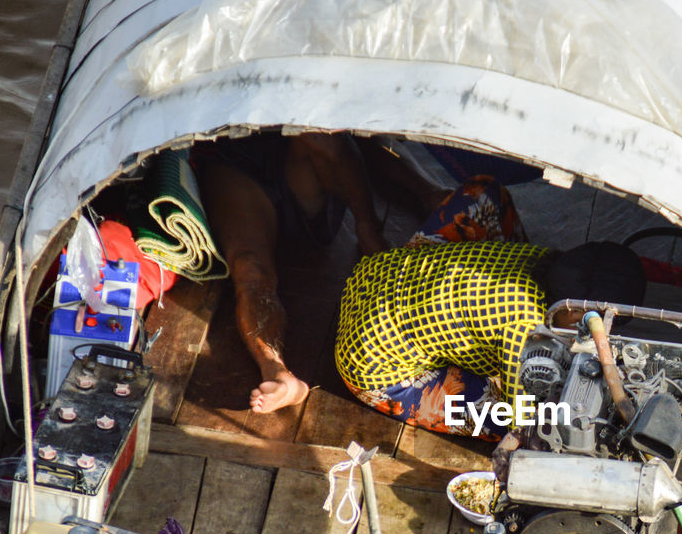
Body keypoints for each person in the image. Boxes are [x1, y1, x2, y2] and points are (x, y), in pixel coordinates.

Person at [334, 176, 647, 438]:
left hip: (377, 276)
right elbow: (520, 421)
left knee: (486, 193)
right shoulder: (527, 334)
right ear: (575, 312)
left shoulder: (544, 257)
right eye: (597, 324)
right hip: (371, 364)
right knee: (519, 420)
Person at [198, 131, 388, 413]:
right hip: (234, 160)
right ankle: (276, 371)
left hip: (302, 151)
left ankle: (370, 232)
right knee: (249, 266)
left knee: (324, 136)